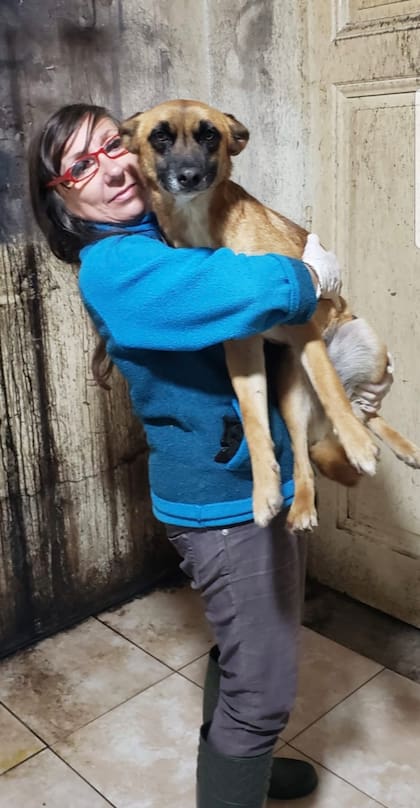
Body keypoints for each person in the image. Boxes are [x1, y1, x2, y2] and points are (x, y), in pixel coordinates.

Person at [29, 103, 392, 808]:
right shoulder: (115, 264)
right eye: (80, 164)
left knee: (252, 640)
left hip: (261, 477)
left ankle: (243, 752)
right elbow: (254, 289)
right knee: (265, 680)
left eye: (109, 146)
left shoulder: (166, 230)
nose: (107, 166)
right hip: (217, 499)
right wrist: (309, 274)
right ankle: (241, 756)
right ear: (61, 197)